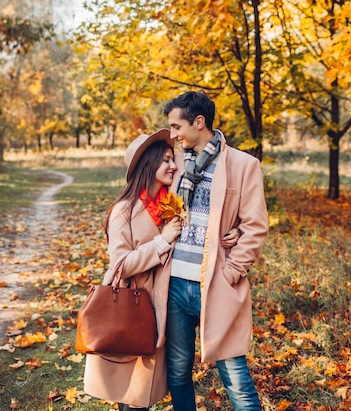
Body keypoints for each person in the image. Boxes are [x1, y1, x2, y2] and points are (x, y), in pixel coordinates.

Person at [82, 128, 240, 410]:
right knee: (129, 388)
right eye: (166, 160)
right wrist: (162, 240)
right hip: (131, 306)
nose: (173, 165)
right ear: (148, 164)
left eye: (173, 159)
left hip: (163, 305)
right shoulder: (124, 210)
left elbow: (208, 225)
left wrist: (235, 232)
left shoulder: (173, 203)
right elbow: (120, 266)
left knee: (146, 387)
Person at [163, 90, 269, 411]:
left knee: (235, 376)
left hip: (217, 284)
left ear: (199, 122)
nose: (173, 134)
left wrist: (232, 271)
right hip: (175, 284)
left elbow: (255, 226)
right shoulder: (174, 163)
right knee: (178, 372)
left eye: (177, 126)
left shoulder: (242, 164)